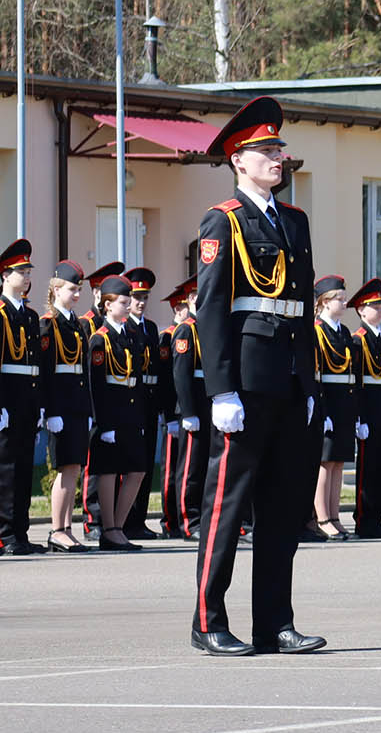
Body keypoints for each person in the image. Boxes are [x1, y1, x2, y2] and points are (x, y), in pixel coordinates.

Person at [191, 95, 324, 656]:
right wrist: (221, 389)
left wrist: (309, 383)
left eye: (279, 148)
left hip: (289, 380)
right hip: (246, 382)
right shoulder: (223, 221)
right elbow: (212, 310)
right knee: (227, 506)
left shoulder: (294, 221)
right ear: (238, 160)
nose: (277, 157)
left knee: (282, 507)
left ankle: (274, 623)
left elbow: (303, 309)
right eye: (265, 149)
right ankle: (208, 621)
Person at [87, 274, 149, 552]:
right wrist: (104, 423)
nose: (128, 306)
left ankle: (119, 527)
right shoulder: (100, 339)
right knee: (109, 471)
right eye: (123, 302)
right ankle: (109, 530)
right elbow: (97, 385)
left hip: (131, 412)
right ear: (108, 304)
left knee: (137, 469)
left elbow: (137, 378)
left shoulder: (131, 335)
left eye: (129, 301)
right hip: (111, 413)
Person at [41, 261, 94, 552]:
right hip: (60, 406)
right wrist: (50, 410)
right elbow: (47, 372)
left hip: (77, 404)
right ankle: (56, 530)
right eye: (72, 289)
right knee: (65, 468)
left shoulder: (77, 324)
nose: (76, 295)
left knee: (74, 467)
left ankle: (67, 529)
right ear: (57, 289)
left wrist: (88, 409)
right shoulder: (49, 324)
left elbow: (83, 370)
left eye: (79, 290)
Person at [0, 240, 47, 555]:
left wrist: (40, 404)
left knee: (24, 467)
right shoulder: (2, 313)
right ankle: (4, 534)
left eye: (29, 271)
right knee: (6, 469)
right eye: (21, 271)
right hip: (8, 399)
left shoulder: (30, 316)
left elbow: (36, 366)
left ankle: (20, 531)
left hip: (27, 401)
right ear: (5, 274)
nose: (27, 276)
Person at [310, 275, 358, 541]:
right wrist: (323, 411)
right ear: (325, 302)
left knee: (338, 462)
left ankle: (335, 515)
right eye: (339, 298)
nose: (344, 302)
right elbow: (317, 376)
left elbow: (351, 375)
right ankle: (322, 517)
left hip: (344, 404)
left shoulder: (344, 332)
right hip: (327, 402)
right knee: (325, 463)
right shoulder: (317, 331)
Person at [79, 260, 124, 543]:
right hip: (91, 401)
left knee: (109, 464)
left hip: (112, 403)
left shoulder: (116, 325)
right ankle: (91, 517)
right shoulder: (87, 324)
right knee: (93, 464)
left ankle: (109, 520)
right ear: (96, 293)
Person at [350, 278, 381, 539]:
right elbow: (357, 382)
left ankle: (378, 516)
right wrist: (360, 417)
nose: (379, 310)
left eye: (380, 306)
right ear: (361, 310)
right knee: (368, 468)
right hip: (369, 409)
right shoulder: (359, 340)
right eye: (374, 306)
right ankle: (364, 519)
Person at [121, 267, 164, 541]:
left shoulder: (151, 327)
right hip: (132, 399)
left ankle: (139, 520)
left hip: (149, 398)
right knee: (130, 462)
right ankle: (124, 519)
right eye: (136, 297)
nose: (140, 302)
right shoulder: (125, 327)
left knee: (146, 460)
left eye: (144, 297)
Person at [158, 279, 194, 539]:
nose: (184, 310)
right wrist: (170, 415)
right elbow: (168, 379)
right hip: (175, 409)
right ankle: (171, 519)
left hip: (189, 407)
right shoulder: (172, 335)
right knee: (172, 468)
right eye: (180, 306)